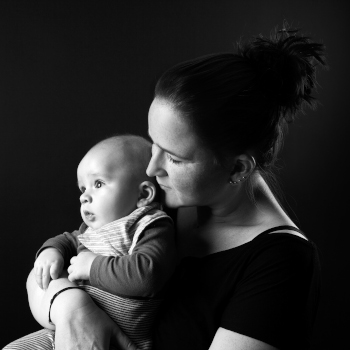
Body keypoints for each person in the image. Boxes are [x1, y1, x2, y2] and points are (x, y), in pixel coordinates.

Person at [21, 27, 326, 350]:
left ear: (238, 168)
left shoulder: (282, 263)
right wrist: (72, 307)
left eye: (175, 159)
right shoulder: (160, 197)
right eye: (154, 145)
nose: (152, 169)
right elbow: (39, 278)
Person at [3, 135, 177, 350]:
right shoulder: (92, 231)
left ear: (143, 194)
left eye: (98, 183)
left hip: (118, 341)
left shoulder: (149, 226)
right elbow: (66, 240)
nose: (84, 197)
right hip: (68, 329)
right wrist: (51, 252)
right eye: (83, 189)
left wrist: (92, 266)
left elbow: (147, 276)